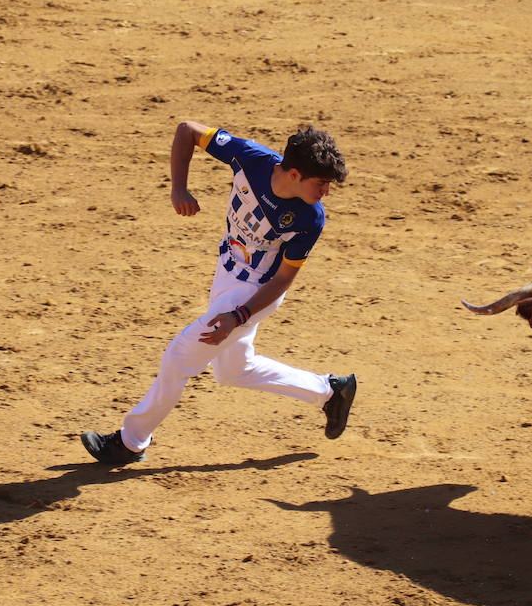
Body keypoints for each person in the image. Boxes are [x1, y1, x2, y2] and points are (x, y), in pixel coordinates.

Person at [80, 120, 357, 464]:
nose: (326, 192)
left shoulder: (309, 219)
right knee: (234, 370)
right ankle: (330, 392)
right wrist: (178, 188)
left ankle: (130, 441)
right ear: (295, 174)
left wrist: (238, 315)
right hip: (227, 272)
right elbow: (187, 131)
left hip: (255, 292)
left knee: (178, 359)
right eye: (322, 183)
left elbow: (283, 279)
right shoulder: (251, 158)